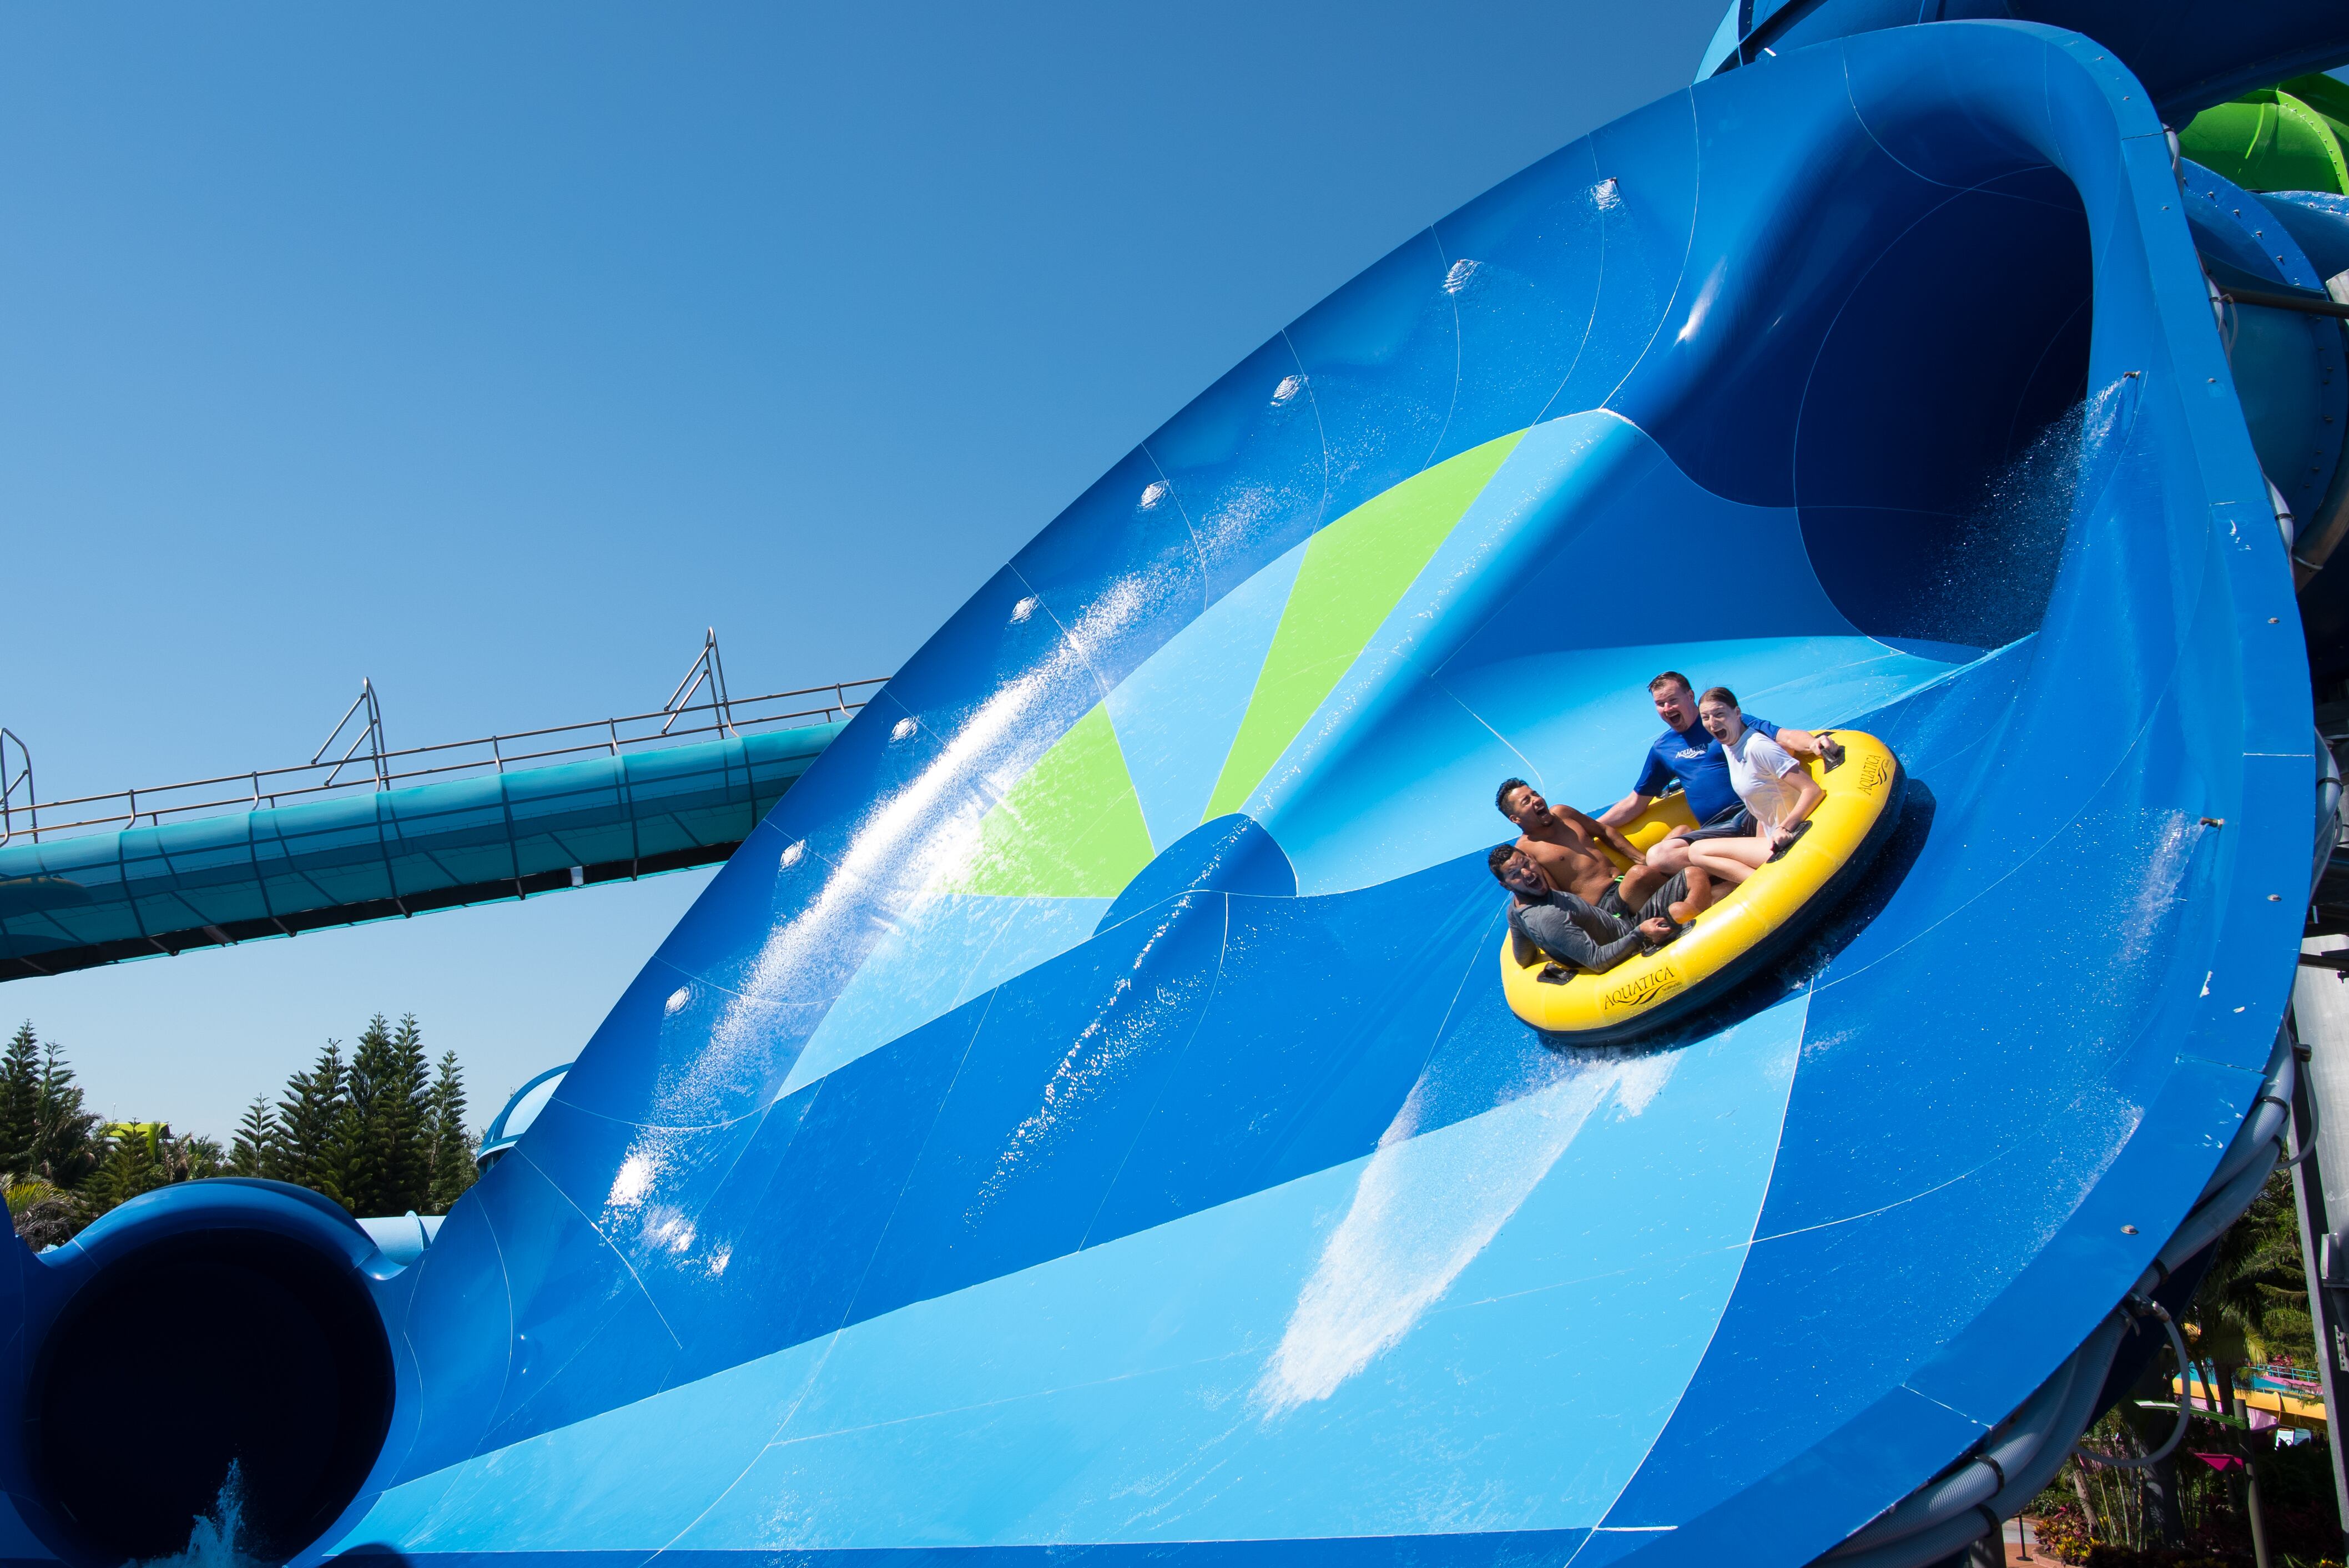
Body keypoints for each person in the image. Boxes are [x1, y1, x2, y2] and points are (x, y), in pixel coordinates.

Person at [1598, 670, 1833, 912]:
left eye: (1672, 700)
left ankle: (1759, 885)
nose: (1667, 708)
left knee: (1698, 854)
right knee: (1659, 856)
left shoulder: (1722, 723)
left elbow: (1782, 736)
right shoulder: (1663, 748)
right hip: (1716, 829)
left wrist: (1814, 743)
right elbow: (1635, 802)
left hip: (1750, 813)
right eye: (1660, 704)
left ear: (1691, 696)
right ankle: (1734, 879)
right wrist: (1591, 828)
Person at [1495, 777, 1697, 926]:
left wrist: (1640, 859)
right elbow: (1555, 896)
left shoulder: (1563, 813)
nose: (1536, 800)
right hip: (1607, 906)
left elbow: (1604, 831)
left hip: (1625, 881)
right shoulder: (1526, 852)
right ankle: (1683, 900)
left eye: (1535, 794)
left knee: (1681, 833)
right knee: (1639, 875)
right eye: (1526, 801)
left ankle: (1695, 903)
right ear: (1516, 819)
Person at [1683, 686, 1827, 888]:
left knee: (1698, 851)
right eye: (1705, 717)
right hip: (1771, 838)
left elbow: (1812, 790)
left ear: (1737, 713)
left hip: (1794, 837)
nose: (1712, 723)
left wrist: (1785, 827)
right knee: (1714, 882)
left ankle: (1768, 888)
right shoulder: (1730, 746)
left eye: (1719, 714)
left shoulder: (1758, 746)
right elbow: (1763, 806)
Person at [1489, 844, 1674, 977]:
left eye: (1526, 864)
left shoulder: (1515, 910)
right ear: (1505, 886)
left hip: (1623, 925)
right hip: (1633, 945)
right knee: (1691, 879)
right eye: (1516, 875)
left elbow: (1524, 959)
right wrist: (1639, 934)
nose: (1527, 873)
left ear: (1532, 859)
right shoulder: (1548, 917)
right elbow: (1597, 961)